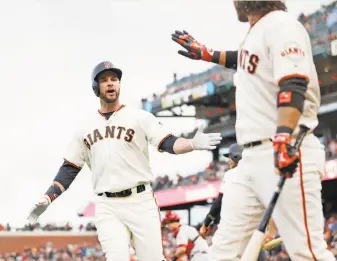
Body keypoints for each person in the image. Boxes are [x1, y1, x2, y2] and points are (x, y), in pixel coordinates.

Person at [172, 1, 335, 261]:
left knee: (308, 253)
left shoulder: (281, 24)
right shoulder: (258, 32)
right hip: (248, 160)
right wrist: (209, 54)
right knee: (223, 253)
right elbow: (246, 60)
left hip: (283, 147)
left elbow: (293, 82)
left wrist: (283, 136)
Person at [27, 61, 222, 261]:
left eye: (114, 79)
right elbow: (70, 167)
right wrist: (48, 197)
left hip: (140, 201)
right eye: (104, 80)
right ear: (96, 87)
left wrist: (191, 143)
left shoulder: (139, 117)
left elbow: (167, 142)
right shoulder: (85, 127)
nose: (111, 83)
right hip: (107, 204)